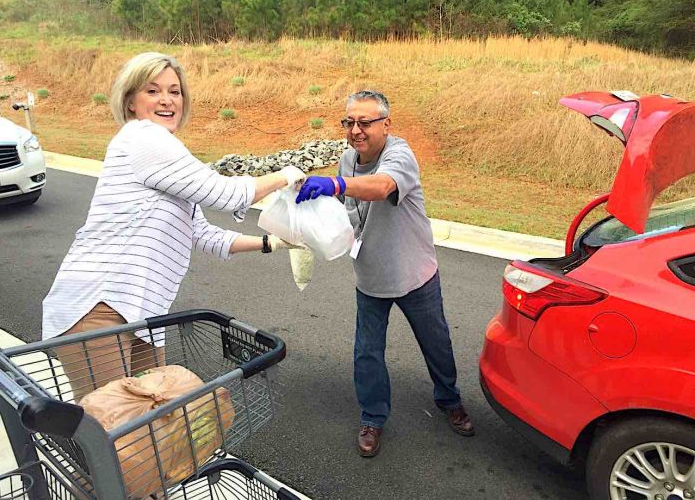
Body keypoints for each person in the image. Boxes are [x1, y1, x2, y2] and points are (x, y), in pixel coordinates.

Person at [42, 51, 305, 402]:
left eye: (175, 91)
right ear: (131, 101)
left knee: (153, 429)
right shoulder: (143, 138)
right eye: (153, 91)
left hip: (142, 315)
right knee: (117, 431)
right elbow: (224, 193)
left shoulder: (161, 150)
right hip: (100, 306)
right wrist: (286, 174)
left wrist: (271, 242)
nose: (167, 100)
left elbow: (202, 233)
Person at [295, 90, 474, 457]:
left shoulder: (399, 154)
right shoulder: (348, 159)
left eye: (365, 122)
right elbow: (348, 208)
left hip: (414, 275)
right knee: (367, 353)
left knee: (436, 343)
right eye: (350, 123)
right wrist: (314, 208)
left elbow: (382, 187)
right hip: (371, 274)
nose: (356, 130)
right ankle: (373, 418)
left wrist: (335, 184)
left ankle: (449, 400)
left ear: (386, 124)